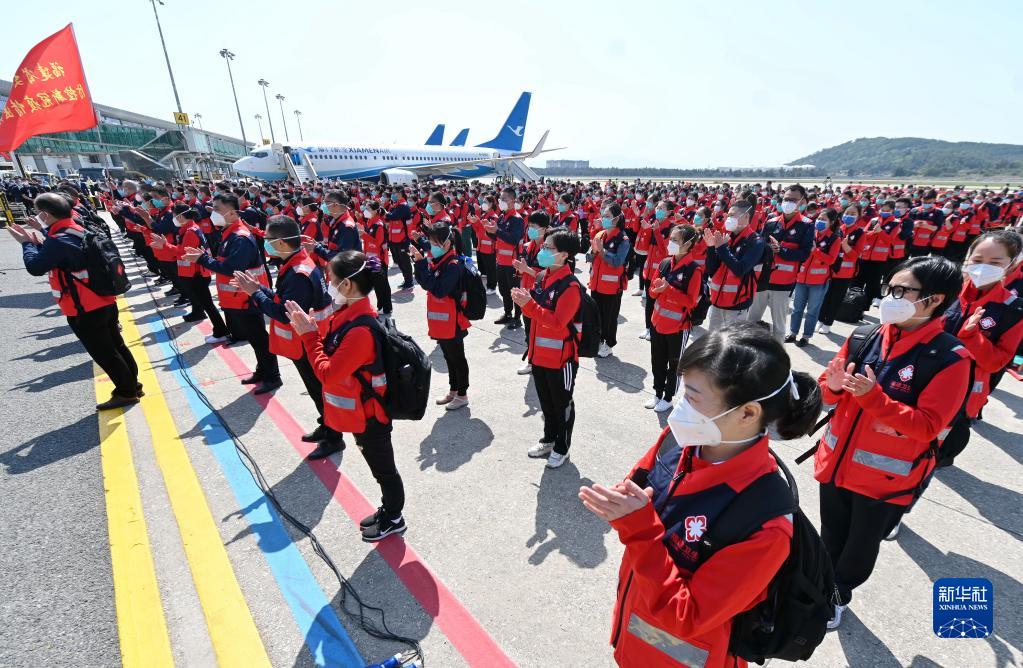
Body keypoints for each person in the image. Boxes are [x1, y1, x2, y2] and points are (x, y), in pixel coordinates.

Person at [580, 322, 822, 668]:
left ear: (747, 413)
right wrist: (622, 506)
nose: (680, 407)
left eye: (693, 398)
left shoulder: (765, 525)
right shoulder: (677, 443)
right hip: (633, 639)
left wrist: (639, 529)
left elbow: (688, 616)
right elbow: (636, 487)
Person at [814, 256, 971, 629]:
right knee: (830, 536)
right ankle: (819, 588)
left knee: (859, 546)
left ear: (934, 299)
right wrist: (832, 388)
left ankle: (838, 596)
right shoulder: (864, 336)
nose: (890, 297)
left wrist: (874, 398)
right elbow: (827, 389)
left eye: (902, 291)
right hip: (835, 462)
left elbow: (927, 426)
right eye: (889, 288)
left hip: (883, 481)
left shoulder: (950, 358)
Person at [287, 251, 407, 541]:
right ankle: (388, 510)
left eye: (332, 280)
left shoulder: (360, 330)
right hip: (361, 412)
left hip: (371, 417)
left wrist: (308, 337)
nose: (329, 285)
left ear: (348, 285)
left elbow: (328, 373)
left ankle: (394, 517)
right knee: (380, 468)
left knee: (384, 471)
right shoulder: (347, 315)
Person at [9, 192, 141, 410]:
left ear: (45, 214)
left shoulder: (58, 240)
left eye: (38, 212)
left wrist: (26, 244)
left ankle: (126, 392)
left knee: (104, 352)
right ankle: (133, 385)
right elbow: (66, 256)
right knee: (116, 345)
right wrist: (42, 239)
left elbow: (35, 267)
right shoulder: (77, 229)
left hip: (84, 306)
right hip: (104, 299)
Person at [234, 216, 344, 460]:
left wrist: (255, 294)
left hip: (308, 342)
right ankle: (327, 425)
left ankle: (334, 437)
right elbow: (282, 299)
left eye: (268, 239)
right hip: (307, 340)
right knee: (316, 390)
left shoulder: (298, 274)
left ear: (282, 242)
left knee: (319, 390)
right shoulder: (294, 264)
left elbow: (284, 313)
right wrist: (259, 288)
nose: (265, 243)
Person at [938, 230, 1023, 467]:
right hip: (925, 379)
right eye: (977, 260)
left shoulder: (1013, 310)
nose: (983, 267)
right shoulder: (948, 291)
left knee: (941, 446)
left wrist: (972, 337)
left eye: (995, 262)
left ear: (1011, 264)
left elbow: (997, 362)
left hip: (963, 391)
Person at [182, 193, 281, 393]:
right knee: (254, 337)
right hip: (238, 297)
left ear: (233, 213)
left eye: (218, 209)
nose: (213, 213)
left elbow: (231, 268)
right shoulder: (229, 233)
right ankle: (262, 370)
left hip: (247, 297)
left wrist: (202, 259)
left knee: (259, 338)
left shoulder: (240, 237)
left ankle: (273, 376)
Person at [511, 229, 582, 468]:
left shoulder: (570, 286)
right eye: (543, 246)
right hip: (539, 354)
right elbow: (535, 314)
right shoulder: (542, 277)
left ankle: (562, 447)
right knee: (546, 403)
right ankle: (549, 439)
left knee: (562, 404)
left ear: (564, 255)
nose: (542, 250)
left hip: (561, 358)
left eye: (549, 248)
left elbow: (558, 322)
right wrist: (524, 302)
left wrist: (529, 305)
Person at [412, 222, 471, 410]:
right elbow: (425, 283)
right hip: (441, 321)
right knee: (448, 357)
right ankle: (454, 389)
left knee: (457, 358)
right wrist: (420, 264)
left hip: (453, 321)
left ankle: (462, 394)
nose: (431, 246)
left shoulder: (453, 265)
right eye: (430, 242)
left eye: (434, 243)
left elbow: (438, 289)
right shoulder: (441, 261)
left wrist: (422, 265)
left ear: (446, 244)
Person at [746, 185, 814, 342]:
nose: (789, 202)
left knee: (779, 326)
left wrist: (781, 250)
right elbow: (759, 247)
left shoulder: (807, 224)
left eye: (793, 200)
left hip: (784, 283)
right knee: (750, 322)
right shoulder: (772, 222)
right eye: (786, 199)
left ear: (802, 202)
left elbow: (804, 254)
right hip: (763, 279)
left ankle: (779, 356)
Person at [646, 224, 702, 412]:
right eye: (670, 239)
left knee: (674, 363)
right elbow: (652, 292)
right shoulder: (664, 263)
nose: (670, 243)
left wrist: (668, 289)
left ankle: (668, 397)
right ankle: (657, 393)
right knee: (657, 361)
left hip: (677, 327)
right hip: (657, 322)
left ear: (688, 244)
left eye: (675, 240)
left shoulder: (693, 270)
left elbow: (691, 301)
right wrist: (656, 290)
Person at [150, 204, 229, 334]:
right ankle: (203, 316)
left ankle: (221, 330)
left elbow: (183, 252)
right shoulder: (190, 229)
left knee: (207, 304)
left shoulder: (190, 232)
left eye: (174, 216)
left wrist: (165, 245)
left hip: (196, 274)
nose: (173, 219)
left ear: (181, 217)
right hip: (194, 272)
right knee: (202, 301)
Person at [704, 200, 766, 331]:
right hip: (717, 300)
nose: (728, 219)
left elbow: (740, 269)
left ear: (746, 216)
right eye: (728, 215)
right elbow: (711, 270)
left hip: (737, 303)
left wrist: (722, 248)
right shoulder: (727, 238)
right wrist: (711, 248)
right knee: (713, 339)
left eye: (732, 215)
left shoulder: (756, 241)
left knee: (732, 340)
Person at [788, 208, 842, 346]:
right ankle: (793, 333)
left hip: (819, 282)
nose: (819, 221)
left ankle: (806, 336)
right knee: (797, 309)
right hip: (801, 278)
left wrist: (814, 251)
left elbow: (831, 260)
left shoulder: (834, 239)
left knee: (812, 311)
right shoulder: (809, 233)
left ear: (831, 222)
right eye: (818, 218)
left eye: (824, 219)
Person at [589, 201, 631, 358]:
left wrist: (601, 251)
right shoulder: (600, 234)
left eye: (607, 216)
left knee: (609, 317)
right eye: (603, 215)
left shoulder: (623, 239)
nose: (603, 218)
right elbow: (589, 256)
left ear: (616, 219)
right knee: (596, 315)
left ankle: (608, 344)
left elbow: (617, 261)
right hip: (596, 284)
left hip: (612, 287)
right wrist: (593, 252)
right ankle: (598, 341)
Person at [512, 211, 551, 375]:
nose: (530, 230)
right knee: (528, 329)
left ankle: (536, 361)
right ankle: (532, 360)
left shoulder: (548, 249)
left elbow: (548, 275)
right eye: (529, 226)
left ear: (545, 229)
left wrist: (526, 269)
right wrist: (520, 269)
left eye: (534, 227)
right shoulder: (528, 246)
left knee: (538, 329)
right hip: (526, 292)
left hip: (540, 294)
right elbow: (523, 270)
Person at [494, 187, 526, 329]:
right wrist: (489, 230)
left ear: (513, 201)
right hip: (501, 261)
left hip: (512, 263)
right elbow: (497, 237)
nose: (501, 201)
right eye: (500, 199)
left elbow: (513, 239)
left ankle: (517, 318)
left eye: (504, 199)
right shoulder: (502, 217)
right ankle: (507, 314)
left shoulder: (517, 220)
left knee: (515, 291)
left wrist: (497, 231)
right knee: (504, 290)